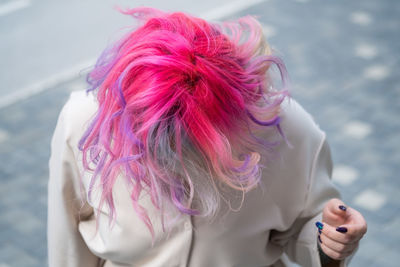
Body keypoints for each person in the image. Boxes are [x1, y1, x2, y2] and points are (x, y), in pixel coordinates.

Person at [47, 7, 367, 267]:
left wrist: (330, 241)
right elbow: (67, 240)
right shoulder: (81, 123)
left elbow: (305, 230)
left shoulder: (292, 132)